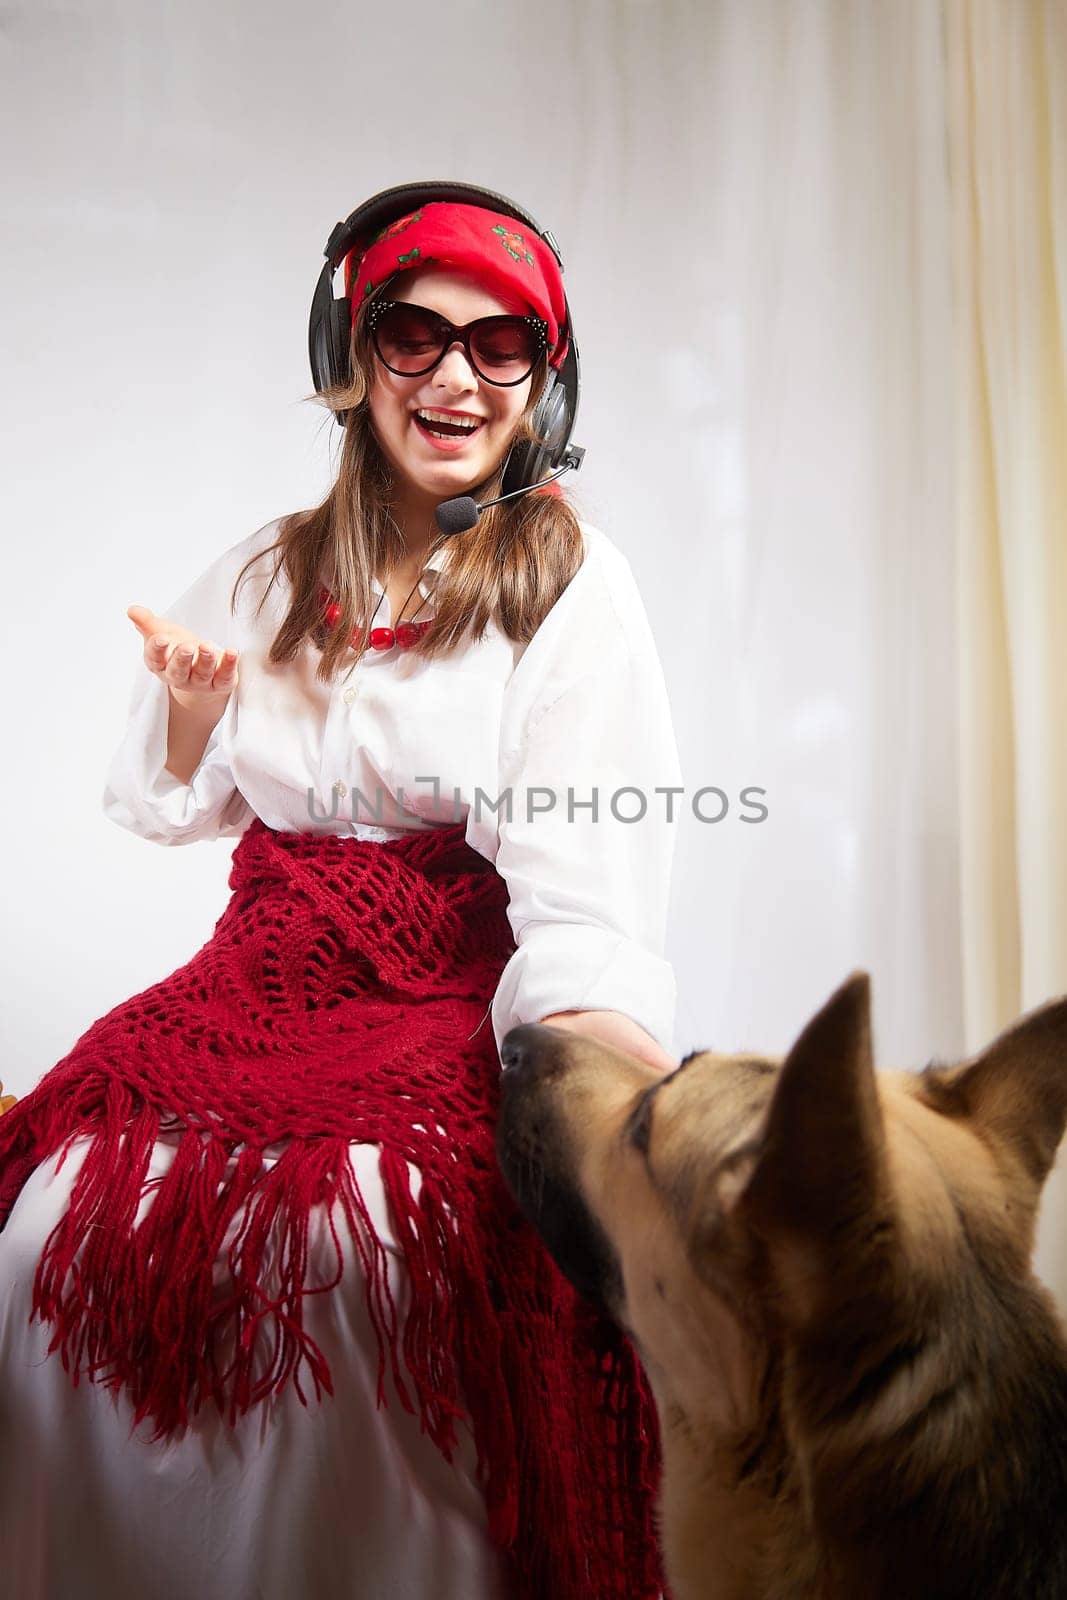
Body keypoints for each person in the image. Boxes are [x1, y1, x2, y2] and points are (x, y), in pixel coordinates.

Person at [0, 184, 682, 1600]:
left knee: (358, 1241)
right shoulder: (271, 564)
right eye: (413, 332)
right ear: (350, 350)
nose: (453, 374)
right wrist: (193, 710)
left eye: (500, 345)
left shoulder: (572, 584)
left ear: (543, 384)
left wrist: (605, 1099)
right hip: (252, 974)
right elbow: (169, 804)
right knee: (49, 1212)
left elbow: (583, 894)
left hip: (441, 989)